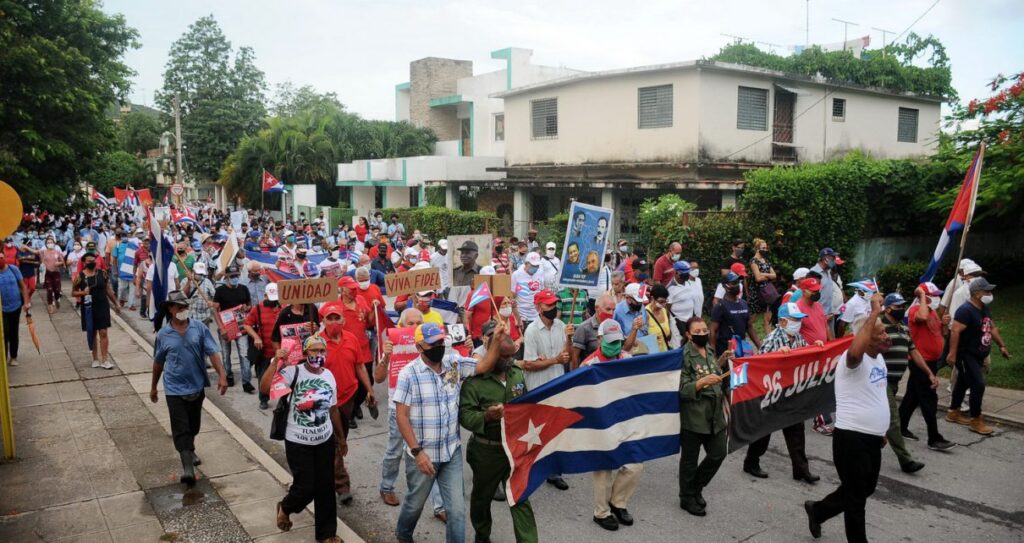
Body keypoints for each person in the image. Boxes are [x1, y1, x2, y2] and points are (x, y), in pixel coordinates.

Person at [393, 322, 502, 543]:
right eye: (433, 343)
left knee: (458, 511)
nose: (439, 346)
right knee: (415, 504)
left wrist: (497, 339)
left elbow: (484, 365)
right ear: (419, 347)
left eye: (441, 341)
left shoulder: (453, 363)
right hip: (423, 456)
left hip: (451, 451)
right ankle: (403, 535)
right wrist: (417, 452)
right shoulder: (408, 374)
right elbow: (401, 417)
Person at [804, 293, 890, 543]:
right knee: (856, 499)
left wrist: (881, 428)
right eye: (880, 332)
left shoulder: (879, 359)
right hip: (851, 438)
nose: (886, 336)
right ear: (866, 338)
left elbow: (876, 394)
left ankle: (818, 511)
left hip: (873, 439)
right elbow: (854, 352)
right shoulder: (850, 361)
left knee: (865, 489)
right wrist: (873, 313)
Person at [260, 335, 344, 543]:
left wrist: (340, 438)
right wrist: (276, 362)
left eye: (322, 351)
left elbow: (333, 409)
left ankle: (327, 535)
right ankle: (286, 506)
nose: (318, 355)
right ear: (305, 353)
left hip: (324, 440)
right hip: (298, 441)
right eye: (314, 351)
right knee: (306, 486)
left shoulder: (329, 376)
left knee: (326, 487)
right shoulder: (292, 372)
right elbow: (264, 388)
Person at [460, 333, 538, 543]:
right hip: (487, 451)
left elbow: (528, 402)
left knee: (520, 498)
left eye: (511, 356)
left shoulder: (516, 373)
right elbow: (465, 416)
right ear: (492, 354)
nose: (508, 361)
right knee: (481, 499)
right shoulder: (474, 381)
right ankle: (482, 533)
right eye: (503, 356)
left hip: (515, 449)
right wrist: (486, 416)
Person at [150, 290, 228, 485]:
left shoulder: (199, 328)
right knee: (181, 428)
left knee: (193, 425)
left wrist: (222, 375)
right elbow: (158, 363)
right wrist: (153, 387)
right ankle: (187, 468)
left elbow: (213, 353)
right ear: (171, 309)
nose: (183, 310)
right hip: (174, 389)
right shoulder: (163, 335)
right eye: (179, 307)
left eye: (186, 307)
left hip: (196, 386)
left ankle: (190, 450)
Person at [376, 309, 446, 519]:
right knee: (395, 450)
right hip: (399, 408)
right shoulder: (391, 344)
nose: (415, 326)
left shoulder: (431, 345)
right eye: (411, 323)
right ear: (401, 326)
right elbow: (378, 378)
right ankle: (386, 487)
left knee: (433, 454)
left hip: (426, 408)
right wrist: (386, 358)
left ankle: (440, 506)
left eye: (419, 322)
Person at [742, 303, 822, 483]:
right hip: (772, 393)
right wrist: (778, 355)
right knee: (763, 432)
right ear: (783, 321)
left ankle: (801, 470)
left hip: (791, 393)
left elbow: (805, 357)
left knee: (796, 431)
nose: (799, 323)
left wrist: (815, 348)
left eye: (800, 320)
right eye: (795, 320)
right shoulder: (772, 340)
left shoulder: (798, 338)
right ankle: (751, 462)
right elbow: (760, 367)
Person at [580, 319, 642, 530]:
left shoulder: (626, 358)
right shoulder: (589, 365)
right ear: (599, 339)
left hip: (625, 419)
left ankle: (618, 503)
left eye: (618, 341)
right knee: (603, 470)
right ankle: (601, 512)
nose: (615, 345)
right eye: (610, 341)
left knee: (635, 464)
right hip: (601, 423)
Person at [319, 300, 375, 506]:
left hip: (348, 398)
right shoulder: (317, 342)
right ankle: (342, 485)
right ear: (323, 321)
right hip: (325, 402)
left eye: (337, 318)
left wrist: (369, 390)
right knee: (335, 443)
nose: (333, 322)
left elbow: (360, 367)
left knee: (339, 441)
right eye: (329, 318)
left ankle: (331, 476)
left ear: (343, 320)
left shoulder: (351, 339)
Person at [678, 316, 733, 516]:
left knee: (718, 452)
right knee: (689, 461)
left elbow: (714, 371)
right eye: (697, 331)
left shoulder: (709, 349)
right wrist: (701, 383)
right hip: (694, 416)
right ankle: (686, 497)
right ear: (688, 334)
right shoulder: (684, 355)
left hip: (715, 415)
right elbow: (682, 389)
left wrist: (722, 360)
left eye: (704, 330)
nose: (702, 334)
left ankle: (695, 488)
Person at [522, 289, 572, 490]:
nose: (553, 308)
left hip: (558, 384)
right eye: (549, 304)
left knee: (556, 430)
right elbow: (529, 364)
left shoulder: (561, 326)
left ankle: (554, 471)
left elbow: (565, 355)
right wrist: (555, 360)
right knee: (537, 431)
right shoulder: (532, 331)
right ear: (539, 307)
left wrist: (568, 339)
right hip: (539, 387)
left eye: (554, 304)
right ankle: (531, 467)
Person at [945, 277, 1010, 435]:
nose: (990, 293)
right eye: (986, 291)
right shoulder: (965, 310)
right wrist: (952, 354)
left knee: (962, 382)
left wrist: (1002, 345)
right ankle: (976, 419)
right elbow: (955, 331)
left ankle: (953, 412)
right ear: (976, 293)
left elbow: (992, 328)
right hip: (966, 354)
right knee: (978, 384)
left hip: (978, 354)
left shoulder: (984, 309)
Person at [901, 283, 955, 450]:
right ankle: (934, 438)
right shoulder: (915, 311)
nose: (937, 298)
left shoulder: (932, 312)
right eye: (933, 295)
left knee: (913, 395)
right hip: (920, 361)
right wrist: (922, 296)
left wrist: (944, 323)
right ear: (923, 296)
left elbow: (942, 333)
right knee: (929, 398)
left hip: (932, 361)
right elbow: (922, 318)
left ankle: (899, 427)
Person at [879, 293, 927, 473]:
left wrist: (929, 373)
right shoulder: (880, 326)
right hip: (881, 381)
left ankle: (872, 441)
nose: (901, 309)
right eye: (898, 306)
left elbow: (914, 352)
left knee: (882, 418)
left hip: (895, 381)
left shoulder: (903, 328)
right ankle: (906, 460)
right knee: (893, 420)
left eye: (902, 306)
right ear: (889, 307)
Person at [71, 251, 121, 369]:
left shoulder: (102, 273)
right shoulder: (80, 277)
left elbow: (108, 289)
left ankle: (105, 360)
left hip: (102, 305)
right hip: (88, 307)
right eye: (89, 261)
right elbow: (73, 292)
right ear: (84, 262)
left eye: (93, 261)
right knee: (92, 332)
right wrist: (83, 292)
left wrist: (116, 303)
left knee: (103, 332)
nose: (92, 263)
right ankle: (95, 358)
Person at [243, 283, 282, 410]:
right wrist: (256, 337)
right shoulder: (258, 309)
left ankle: (283, 400)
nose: (273, 301)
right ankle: (263, 399)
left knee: (284, 377)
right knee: (263, 376)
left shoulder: (285, 308)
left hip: (281, 351)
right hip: (264, 351)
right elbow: (247, 324)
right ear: (265, 296)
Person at [212, 265, 252, 390]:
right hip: (226, 327)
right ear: (227, 277)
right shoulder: (220, 291)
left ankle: (246, 382)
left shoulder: (244, 288)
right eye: (232, 276)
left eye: (237, 276)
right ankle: (228, 376)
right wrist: (221, 328)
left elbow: (249, 304)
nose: (235, 278)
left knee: (244, 354)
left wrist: (247, 308)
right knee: (226, 354)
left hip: (240, 327)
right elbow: (215, 310)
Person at [709, 270, 761, 357]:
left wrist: (760, 346)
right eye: (733, 283)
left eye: (738, 282)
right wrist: (713, 355)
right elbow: (713, 331)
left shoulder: (744, 303)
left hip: (741, 348)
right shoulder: (720, 306)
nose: (737, 285)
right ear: (725, 286)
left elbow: (749, 327)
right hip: (725, 350)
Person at [572, 293, 615, 367]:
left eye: (613, 309)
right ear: (597, 308)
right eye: (608, 309)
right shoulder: (584, 328)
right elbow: (575, 357)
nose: (611, 313)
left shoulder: (614, 325)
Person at [748, 238, 777, 332]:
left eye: (766, 248)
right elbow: (758, 278)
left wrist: (764, 274)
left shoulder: (766, 261)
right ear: (757, 249)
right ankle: (744, 335)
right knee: (752, 319)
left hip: (767, 292)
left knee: (768, 318)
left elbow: (774, 275)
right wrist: (769, 276)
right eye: (763, 248)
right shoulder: (753, 261)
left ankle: (769, 340)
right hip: (756, 292)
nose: (765, 250)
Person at [510, 253, 544, 328]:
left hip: (537, 316)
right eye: (533, 265)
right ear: (526, 263)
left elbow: (542, 292)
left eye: (537, 266)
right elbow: (512, 296)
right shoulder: (516, 275)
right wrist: (517, 318)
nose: (535, 267)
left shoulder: (540, 272)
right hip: (522, 316)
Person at [614, 283, 649, 353]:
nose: (640, 304)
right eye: (638, 302)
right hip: (627, 352)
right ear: (628, 299)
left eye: (641, 301)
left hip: (643, 349)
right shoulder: (617, 311)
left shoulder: (642, 307)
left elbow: (645, 329)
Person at [667, 261, 699, 335]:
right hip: (677, 324)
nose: (687, 275)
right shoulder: (671, 288)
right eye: (685, 273)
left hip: (689, 321)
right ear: (676, 273)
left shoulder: (688, 283)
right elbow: (667, 309)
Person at [809, 248, 839, 320]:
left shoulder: (827, 271)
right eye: (833, 258)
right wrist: (821, 317)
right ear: (826, 259)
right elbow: (810, 296)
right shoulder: (814, 272)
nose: (835, 260)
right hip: (818, 316)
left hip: (829, 315)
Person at [645, 284, 674, 352]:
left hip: (665, 351)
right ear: (652, 298)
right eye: (661, 302)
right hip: (652, 354)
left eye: (665, 301)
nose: (663, 304)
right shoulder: (645, 314)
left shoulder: (665, 311)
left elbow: (669, 333)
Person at [40, 237, 66, 313]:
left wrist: (60, 263)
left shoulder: (57, 252)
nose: (50, 244)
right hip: (47, 273)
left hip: (56, 273)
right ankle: (50, 305)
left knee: (57, 290)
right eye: (48, 242)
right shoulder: (43, 252)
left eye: (51, 242)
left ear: (54, 244)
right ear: (46, 244)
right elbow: (38, 257)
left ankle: (57, 299)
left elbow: (63, 262)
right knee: (49, 290)